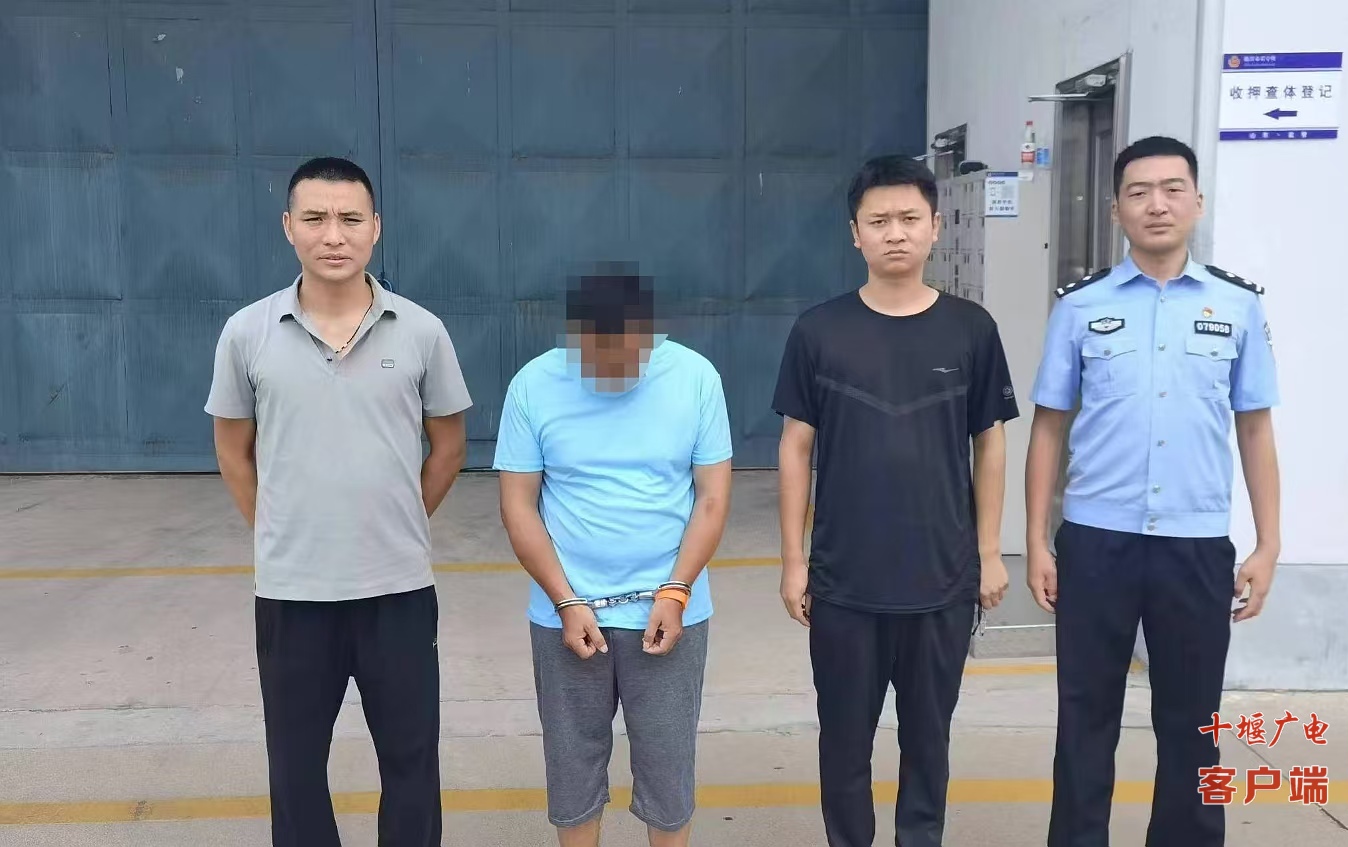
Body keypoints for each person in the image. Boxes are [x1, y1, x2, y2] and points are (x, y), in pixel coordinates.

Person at [205, 156, 472, 847]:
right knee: (295, 771)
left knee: (411, 765)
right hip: (293, 592)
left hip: (397, 588)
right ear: (288, 226)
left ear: (375, 228)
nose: (334, 235)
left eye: (351, 218)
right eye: (316, 218)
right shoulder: (247, 333)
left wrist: (399, 518)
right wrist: (278, 527)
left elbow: (449, 446)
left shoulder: (420, 331)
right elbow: (232, 450)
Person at [1023, 135, 1281, 847]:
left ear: (1198, 202)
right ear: (1116, 210)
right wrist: (1036, 541)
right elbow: (1048, 427)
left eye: (1172, 189)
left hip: (1194, 545)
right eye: (1139, 192)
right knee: (1085, 717)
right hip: (1096, 542)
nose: (1156, 204)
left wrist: (1268, 543)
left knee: (1193, 722)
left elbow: (1255, 429)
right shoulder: (1080, 307)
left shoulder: (1237, 306)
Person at [772, 155, 1019, 847]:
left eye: (910, 218)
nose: (896, 233)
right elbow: (794, 448)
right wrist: (793, 561)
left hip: (942, 581)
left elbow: (991, 444)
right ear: (855, 234)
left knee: (929, 741)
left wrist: (988, 552)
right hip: (845, 583)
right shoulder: (819, 331)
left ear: (936, 226)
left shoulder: (971, 329)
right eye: (878, 221)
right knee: (843, 744)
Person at [494, 268, 733, 847]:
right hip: (567, 614)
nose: (614, 374)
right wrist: (564, 600)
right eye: (598, 359)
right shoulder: (533, 385)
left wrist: (677, 590)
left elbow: (712, 498)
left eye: (629, 358)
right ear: (574, 339)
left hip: (669, 611)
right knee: (571, 765)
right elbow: (518, 505)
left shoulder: (695, 377)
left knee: (668, 765)